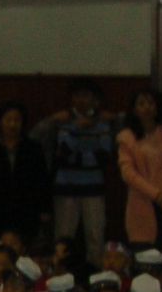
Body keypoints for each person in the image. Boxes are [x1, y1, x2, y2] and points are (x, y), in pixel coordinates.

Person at [35, 83, 116, 255]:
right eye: (77, 95)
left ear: (95, 100)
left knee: (95, 236)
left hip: (94, 188)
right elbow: (63, 153)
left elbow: (103, 157)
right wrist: (77, 127)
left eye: (86, 95)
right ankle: (61, 273)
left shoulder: (102, 123)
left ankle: (95, 274)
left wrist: (77, 157)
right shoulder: (63, 122)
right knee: (64, 237)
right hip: (66, 188)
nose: (82, 100)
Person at [0, 101, 52, 247]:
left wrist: (45, 209)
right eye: (8, 120)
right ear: (0, 122)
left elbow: (43, 181)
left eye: (16, 120)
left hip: (26, 211)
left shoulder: (33, 148)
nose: (12, 124)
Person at [119, 88, 162, 248]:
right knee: (145, 247)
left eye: (150, 103)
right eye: (141, 104)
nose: (147, 107)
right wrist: (155, 194)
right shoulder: (127, 137)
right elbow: (128, 173)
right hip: (142, 197)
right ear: (134, 110)